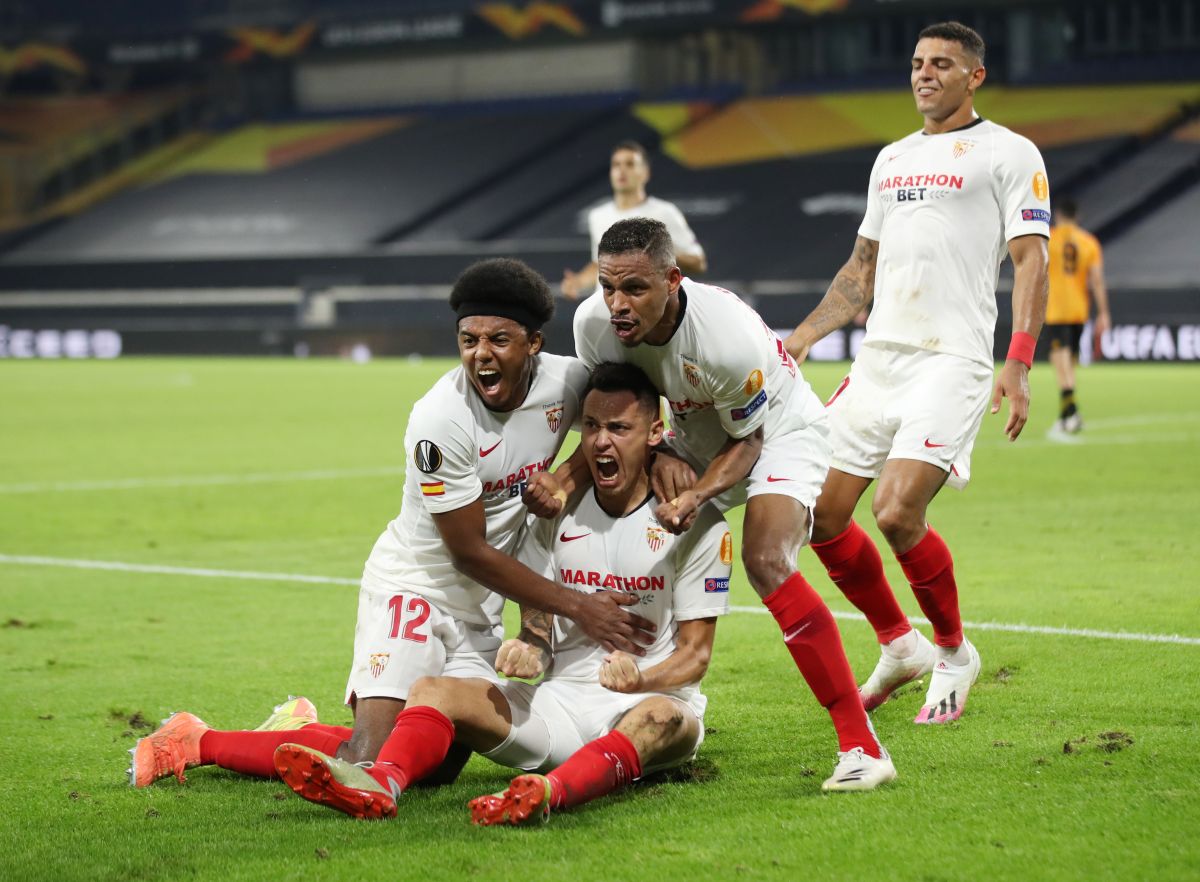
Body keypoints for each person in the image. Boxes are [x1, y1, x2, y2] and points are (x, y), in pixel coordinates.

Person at [127, 258, 655, 788]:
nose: (481, 355)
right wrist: (577, 606)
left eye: (498, 339)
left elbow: (625, 421)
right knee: (367, 763)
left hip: (479, 604)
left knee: (434, 770)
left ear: (534, 343)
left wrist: (568, 475)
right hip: (415, 585)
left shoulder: (568, 383)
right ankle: (195, 739)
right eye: (468, 340)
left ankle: (298, 729)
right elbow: (467, 551)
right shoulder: (440, 419)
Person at [271, 362, 732, 820]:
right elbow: (538, 625)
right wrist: (530, 648)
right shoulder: (558, 516)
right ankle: (381, 783)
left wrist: (640, 680)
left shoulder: (697, 524)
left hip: (657, 706)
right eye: (590, 426)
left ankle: (549, 793)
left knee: (660, 718)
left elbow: (696, 657)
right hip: (562, 705)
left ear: (656, 432)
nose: (601, 441)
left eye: (618, 427)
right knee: (433, 692)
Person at [551, 217, 896, 791]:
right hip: (689, 431)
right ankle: (587, 701)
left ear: (673, 281)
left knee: (766, 557)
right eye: (608, 287)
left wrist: (696, 491)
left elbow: (750, 442)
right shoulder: (594, 324)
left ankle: (860, 745)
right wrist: (643, 459)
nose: (617, 303)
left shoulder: (725, 340)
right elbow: (619, 412)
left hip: (775, 429)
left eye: (634, 288)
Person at [783, 21, 1050, 725]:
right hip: (880, 362)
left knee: (897, 509)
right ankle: (901, 646)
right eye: (916, 63)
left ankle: (955, 652)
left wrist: (1018, 363)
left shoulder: (1010, 153)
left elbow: (1030, 260)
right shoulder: (892, 159)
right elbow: (860, 269)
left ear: (974, 77)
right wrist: (804, 336)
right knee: (818, 515)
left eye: (941, 64)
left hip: (951, 360)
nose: (924, 74)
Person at [560, 140, 706, 301]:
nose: (621, 170)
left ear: (645, 173)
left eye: (630, 164)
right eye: (616, 165)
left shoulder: (665, 212)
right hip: (607, 309)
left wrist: (658, 252)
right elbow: (599, 263)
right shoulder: (598, 215)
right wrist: (578, 282)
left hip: (648, 312)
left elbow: (698, 263)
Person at [1046, 196, 1110, 434]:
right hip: (1078, 311)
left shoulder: (1048, 239)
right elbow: (1097, 280)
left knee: (1059, 361)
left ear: (1058, 215)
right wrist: (1103, 313)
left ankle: (1071, 412)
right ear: (1077, 217)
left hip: (1055, 309)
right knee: (1069, 363)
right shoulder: (1089, 242)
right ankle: (1066, 415)